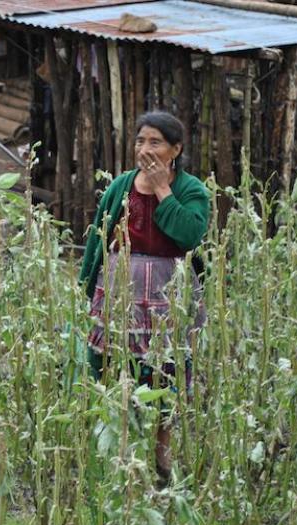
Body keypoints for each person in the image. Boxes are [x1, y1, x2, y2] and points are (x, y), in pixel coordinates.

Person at [78, 111, 210, 484]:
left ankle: (162, 459)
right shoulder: (122, 186)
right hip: (120, 292)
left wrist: (163, 189)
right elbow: (99, 236)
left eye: (155, 142)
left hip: (168, 296)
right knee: (113, 365)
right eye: (140, 141)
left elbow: (189, 235)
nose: (145, 149)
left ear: (175, 150)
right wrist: (88, 285)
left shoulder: (191, 190)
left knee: (166, 369)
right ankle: (119, 455)